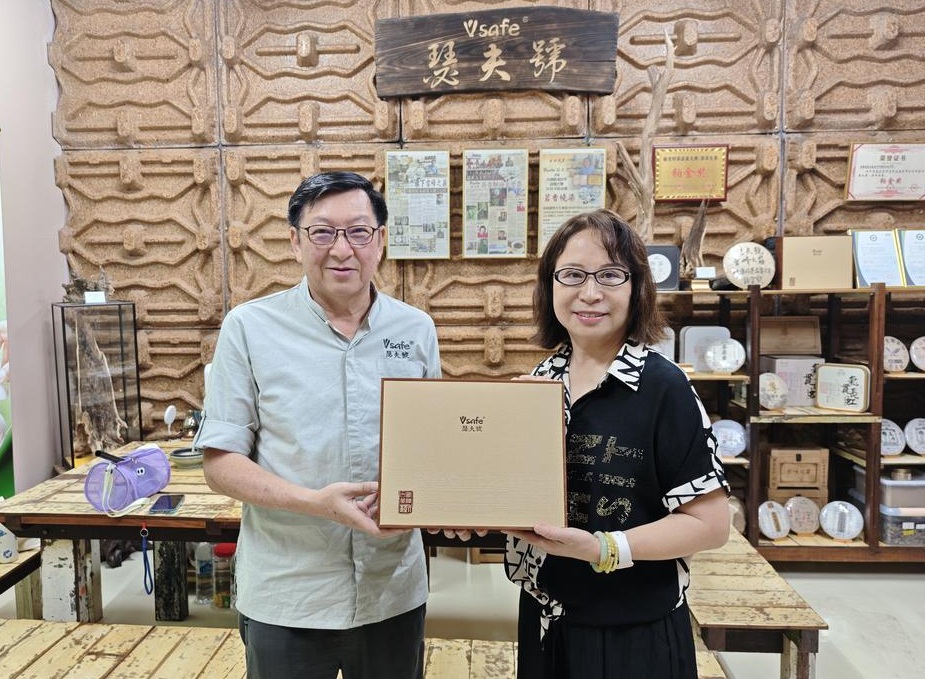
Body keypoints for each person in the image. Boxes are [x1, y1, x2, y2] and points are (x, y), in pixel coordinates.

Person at [193, 171, 441, 679]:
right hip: (289, 593)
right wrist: (314, 502)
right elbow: (220, 463)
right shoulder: (249, 328)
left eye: (359, 231)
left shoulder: (415, 329)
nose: (342, 249)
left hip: (391, 590)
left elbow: (433, 449)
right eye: (323, 232)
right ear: (295, 240)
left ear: (381, 239)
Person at [504, 209, 730, 679]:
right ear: (549, 286)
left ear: (637, 287)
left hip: (632, 631)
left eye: (609, 275)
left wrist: (603, 548)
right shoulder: (541, 381)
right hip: (546, 617)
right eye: (572, 275)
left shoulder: (664, 388)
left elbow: (711, 525)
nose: (590, 292)